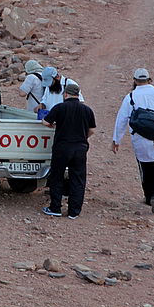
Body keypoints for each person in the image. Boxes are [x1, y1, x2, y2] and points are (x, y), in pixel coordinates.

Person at [112, 68, 154, 214]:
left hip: (140, 139)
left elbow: (122, 119)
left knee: (145, 169)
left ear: (135, 81)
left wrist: (116, 140)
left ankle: (148, 196)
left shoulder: (130, 97)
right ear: (150, 80)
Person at [41, 82, 96, 219]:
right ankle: (74, 211)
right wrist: (83, 136)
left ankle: (55, 208)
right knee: (77, 179)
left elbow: (46, 122)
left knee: (57, 177)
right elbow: (92, 130)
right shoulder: (87, 110)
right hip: (80, 148)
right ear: (78, 95)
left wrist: (54, 126)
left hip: (62, 147)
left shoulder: (60, 107)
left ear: (65, 94)